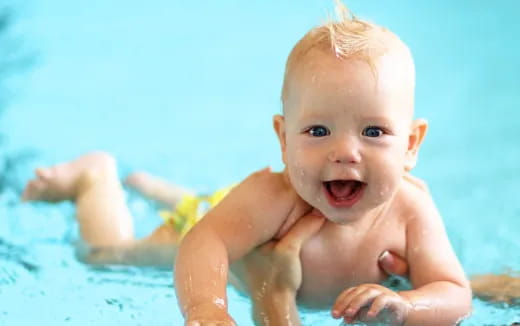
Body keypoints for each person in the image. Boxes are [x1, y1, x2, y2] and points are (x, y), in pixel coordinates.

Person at [173, 2, 475, 326]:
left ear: (411, 145)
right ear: (285, 140)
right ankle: (114, 182)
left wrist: (407, 306)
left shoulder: (410, 209)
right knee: (120, 252)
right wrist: (207, 306)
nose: (345, 152)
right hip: (207, 218)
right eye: (318, 131)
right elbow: (205, 240)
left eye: (373, 131)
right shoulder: (272, 199)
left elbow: (454, 293)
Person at [21, 152, 407, 323]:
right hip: (206, 233)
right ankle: (96, 177)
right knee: (104, 255)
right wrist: (206, 304)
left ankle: (168, 194)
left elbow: (455, 284)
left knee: (219, 212)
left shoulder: (398, 223)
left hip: (242, 213)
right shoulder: (392, 217)